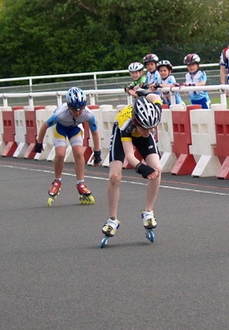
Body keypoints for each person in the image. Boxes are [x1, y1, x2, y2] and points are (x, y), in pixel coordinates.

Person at [101, 94, 162, 240]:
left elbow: (154, 96)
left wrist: (144, 93)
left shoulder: (155, 110)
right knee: (115, 177)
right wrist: (141, 168)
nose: (149, 131)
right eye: (145, 128)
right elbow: (129, 156)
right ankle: (112, 219)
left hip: (140, 127)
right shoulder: (126, 124)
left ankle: (148, 211)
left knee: (157, 168)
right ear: (136, 121)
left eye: (152, 127)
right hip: (121, 133)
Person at [34, 87, 102, 206]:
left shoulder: (88, 114)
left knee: (78, 153)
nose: (78, 112)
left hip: (75, 129)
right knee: (60, 154)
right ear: (69, 106)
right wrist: (39, 143)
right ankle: (57, 181)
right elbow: (44, 126)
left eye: (81, 108)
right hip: (60, 128)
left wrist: (97, 152)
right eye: (75, 109)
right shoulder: (60, 114)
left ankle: (81, 183)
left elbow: (95, 133)